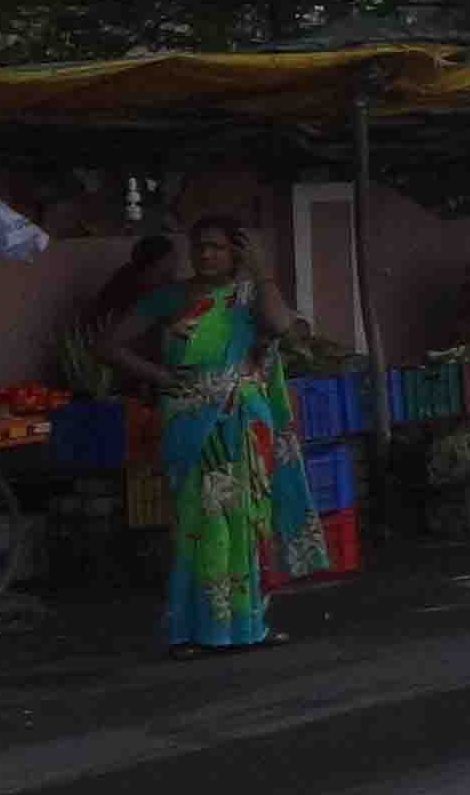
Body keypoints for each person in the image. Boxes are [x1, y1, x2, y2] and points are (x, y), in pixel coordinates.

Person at [110, 214, 331, 655]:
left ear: (236, 252)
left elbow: (282, 327)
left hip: (243, 422)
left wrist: (262, 270)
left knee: (247, 524)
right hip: (191, 423)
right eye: (200, 247)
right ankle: (190, 632)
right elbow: (108, 344)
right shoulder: (169, 298)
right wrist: (158, 375)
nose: (206, 255)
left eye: (217, 247)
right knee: (197, 525)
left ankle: (249, 626)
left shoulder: (248, 296)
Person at [63, 231, 179, 390]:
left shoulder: (152, 287)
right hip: (113, 382)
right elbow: (109, 349)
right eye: (164, 274)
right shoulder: (129, 295)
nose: (171, 279)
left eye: (172, 272)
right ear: (145, 270)